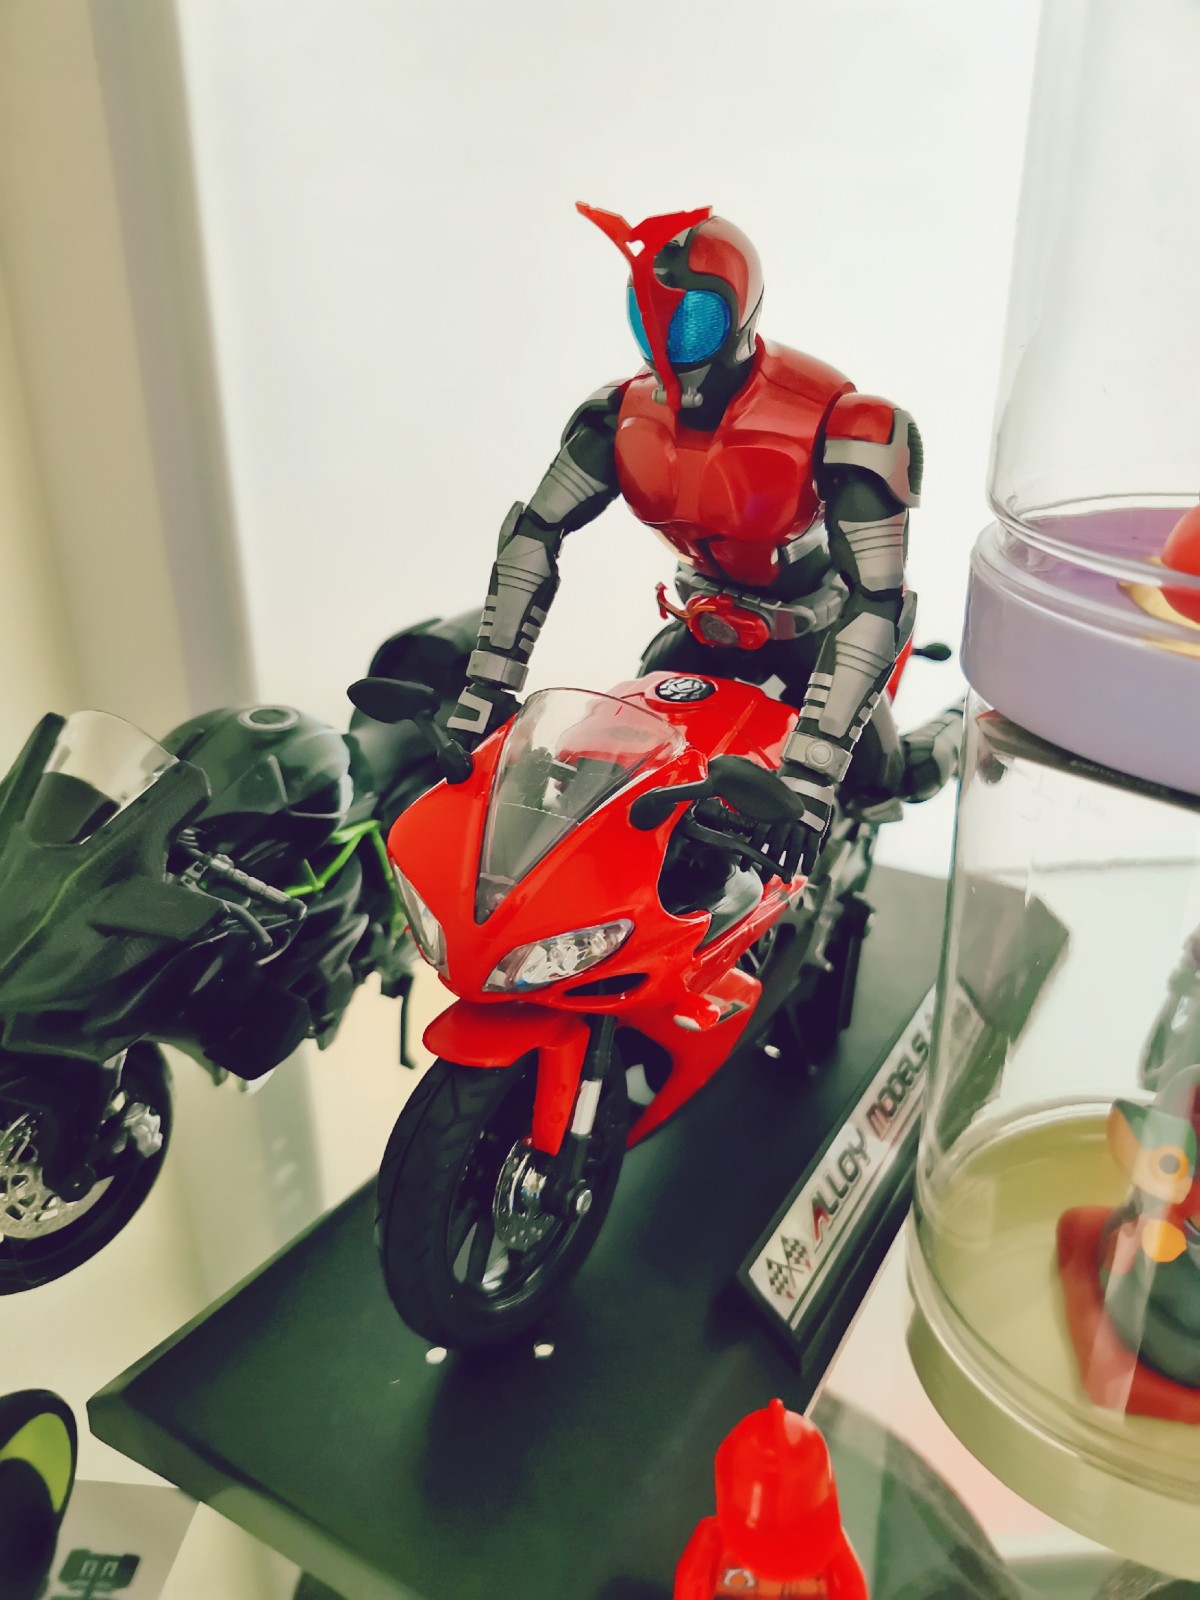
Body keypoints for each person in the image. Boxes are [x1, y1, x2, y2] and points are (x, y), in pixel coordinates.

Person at [448, 203, 956, 874]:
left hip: (814, 638)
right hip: (703, 623)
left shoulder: (844, 422)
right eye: (650, 315)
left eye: (690, 316)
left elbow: (879, 598)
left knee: (882, 781)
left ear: (738, 311)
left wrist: (813, 772)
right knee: (610, 768)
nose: (668, 339)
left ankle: (964, 724)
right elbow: (533, 535)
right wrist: (487, 688)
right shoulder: (617, 415)